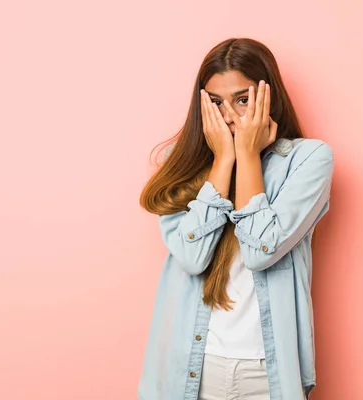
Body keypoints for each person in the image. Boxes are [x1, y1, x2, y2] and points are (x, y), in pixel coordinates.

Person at [137, 37, 334, 400]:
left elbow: (260, 250)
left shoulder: (308, 160)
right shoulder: (179, 167)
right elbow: (193, 259)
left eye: (243, 100)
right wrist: (223, 160)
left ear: (268, 96)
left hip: (267, 372)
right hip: (194, 370)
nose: (228, 116)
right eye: (215, 103)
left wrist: (248, 156)